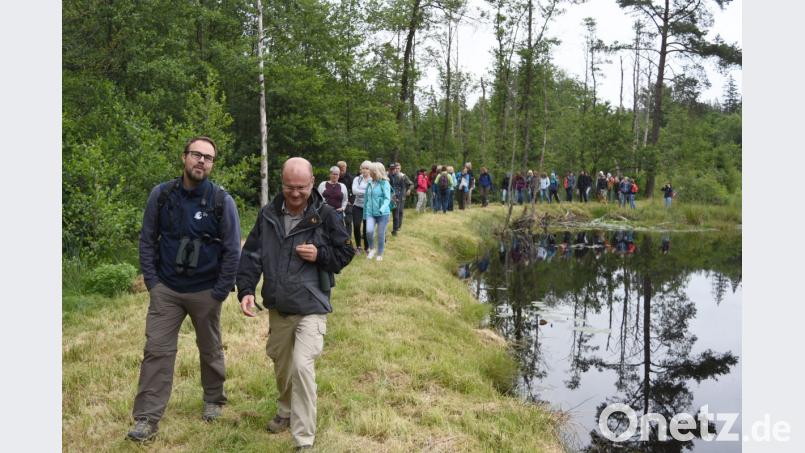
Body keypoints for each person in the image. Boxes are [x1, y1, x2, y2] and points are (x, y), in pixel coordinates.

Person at [127, 136, 241, 442]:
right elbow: (147, 239)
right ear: (184, 157)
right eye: (196, 155)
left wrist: (219, 291)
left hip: (206, 289)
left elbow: (233, 250)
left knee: (210, 348)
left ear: (212, 164)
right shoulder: (162, 195)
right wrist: (152, 282)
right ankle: (146, 419)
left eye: (208, 158)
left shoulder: (221, 201)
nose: (202, 161)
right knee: (157, 351)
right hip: (167, 288)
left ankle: (213, 398)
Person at [236, 157, 354, 451]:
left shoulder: (325, 215)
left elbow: (346, 252)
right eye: (290, 187)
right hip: (279, 305)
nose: (296, 193)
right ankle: (285, 410)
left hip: (312, 306)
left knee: (302, 367)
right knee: (282, 364)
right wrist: (246, 290)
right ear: (282, 183)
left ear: (312, 183)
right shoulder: (268, 215)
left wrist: (320, 254)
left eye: (301, 187)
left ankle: (303, 440)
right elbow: (251, 255)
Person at [364, 162, 392, 260]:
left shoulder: (385, 183)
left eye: (371, 171)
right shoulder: (370, 183)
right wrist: (365, 213)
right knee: (369, 231)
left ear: (376, 172)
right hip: (370, 213)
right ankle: (372, 249)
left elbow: (387, 198)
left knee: (381, 234)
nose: (369, 172)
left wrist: (381, 209)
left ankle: (380, 254)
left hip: (382, 214)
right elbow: (366, 199)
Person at [351, 161, 371, 254]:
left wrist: (361, 190)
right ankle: (358, 246)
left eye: (367, 168)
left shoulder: (373, 179)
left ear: (370, 170)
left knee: (366, 228)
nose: (365, 170)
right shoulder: (357, 179)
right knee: (356, 225)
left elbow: (372, 192)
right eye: (363, 168)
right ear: (361, 169)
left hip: (368, 207)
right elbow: (354, 191)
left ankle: (367, 247)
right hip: (357, 206)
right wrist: (366, 191)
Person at [388, 162, 414, 235]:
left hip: (400, 195)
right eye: (395, 168)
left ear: (400, 169)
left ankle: (397, 227)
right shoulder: (388, 175)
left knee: (399, 211)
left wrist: (409, 190)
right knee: (395, 212)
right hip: (391, 195)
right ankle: (396, 227)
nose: (396, 170)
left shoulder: (403, 176)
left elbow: (411, 184)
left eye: (398, 168)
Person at [337, 161, 354, 234]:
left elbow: (354, 191)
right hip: (337, 202)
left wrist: (351, 201)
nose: (342, 170)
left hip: (348, 202)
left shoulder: (350, 178)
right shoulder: (335, 177)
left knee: (348, 221)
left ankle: (348, 239)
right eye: (340, 168)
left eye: (344, 168)